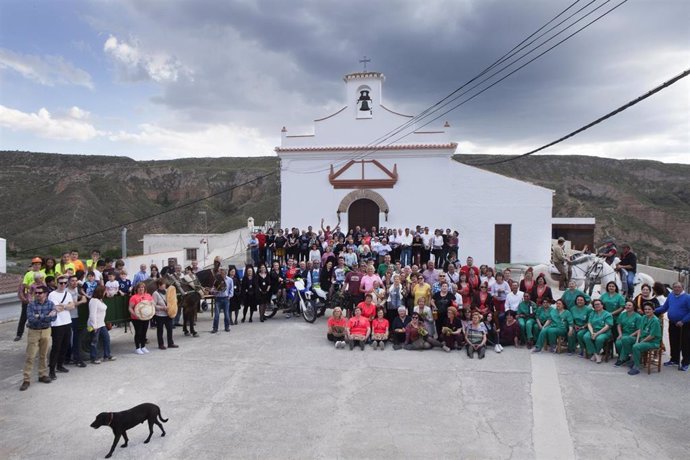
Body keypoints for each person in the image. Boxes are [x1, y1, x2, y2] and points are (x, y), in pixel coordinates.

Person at [20, 286, 56, 390]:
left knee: (43, 355)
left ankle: (42, 375)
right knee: (30, 356)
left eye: (40, 293)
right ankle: (26, 379)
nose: (37, 295)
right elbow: (31, 319)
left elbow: (53, 317)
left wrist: (39, 316)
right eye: (36, 293)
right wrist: (46, 316)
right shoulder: (31, 304)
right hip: (33, 331)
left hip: (46, 330)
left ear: (45, 294)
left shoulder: (50, 304)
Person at [655, 281, 690, 371]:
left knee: (685, 344)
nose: (676, 289)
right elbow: (664, 307)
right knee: (673, 342)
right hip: (673, 323)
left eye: (678, 287)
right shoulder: (671, 295)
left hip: (684, 324)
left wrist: (683, 320)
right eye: (675, 287)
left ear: (682, 288)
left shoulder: (687, 297)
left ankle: (686, 362)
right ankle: (674, 359)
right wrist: (653, 310)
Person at [47, 276, 75, 380]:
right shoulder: (52, 294)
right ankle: (51, 370)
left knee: (65, 345)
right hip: (57, 324)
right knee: (56, 347)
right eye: (60, 283)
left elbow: (72, 306)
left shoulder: (67, 294)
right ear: (57, 283)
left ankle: (60, 365)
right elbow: (56, 308)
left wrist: (64, 306)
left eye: (64, 283)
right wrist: (65, 306)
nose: (63, 285)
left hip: (67, 322)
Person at [628, 302, 663, 375]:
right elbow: (640, 330)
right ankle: (634, 359)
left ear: (653, 310)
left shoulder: (655, 321)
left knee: (636, 346)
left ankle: (636, 367)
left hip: (653, 342)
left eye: (649, 309)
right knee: (628, 339)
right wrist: (637, 340)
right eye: (645, 309)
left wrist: (640, 342)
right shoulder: (644, 317)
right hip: (643, 339)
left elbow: (652, 336)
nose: (647, 311)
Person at [87, 286, 116, 364]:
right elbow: (92, 314)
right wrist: (94, 326)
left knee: (106, 338)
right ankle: (93, 358)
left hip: (101, 324)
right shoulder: (94, 301)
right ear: (100, 292)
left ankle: (107, 355)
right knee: (94, 341)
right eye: (104, 291)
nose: (105, 292)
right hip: (94, 325)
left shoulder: (100, 300)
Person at [65, 275, 88, 367]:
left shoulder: (75, 290)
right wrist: (82, 301)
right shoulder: (66, 292)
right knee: (73, 339)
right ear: (68, 282)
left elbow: (76, 298)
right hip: (69, 317)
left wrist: (81, 296)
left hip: (75, 316)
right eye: (72, 281)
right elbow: (71, 305)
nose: (75, 283)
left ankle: (68, 358)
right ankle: (77, 359)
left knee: (73, 338)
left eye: (76, 281)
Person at [583, 299, 614, 363]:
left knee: (599, 339)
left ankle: (596, 353)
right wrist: (592, 333)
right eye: (595, 305)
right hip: (593, 330)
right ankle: (596, 354)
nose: (596, 306)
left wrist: (596, 334)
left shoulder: (607, 314)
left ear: (602, 305)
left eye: (598, 304)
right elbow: (589, 324)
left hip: (604, 332)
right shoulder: (592, 313)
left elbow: (607, 326)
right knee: (586, 336)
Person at [152, 279, 178, 349]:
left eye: (165, 284)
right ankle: (161, 344)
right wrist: (162, 308)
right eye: (163, 284)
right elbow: (153, 305)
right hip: (160, 315)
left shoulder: (168, 291)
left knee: (170, 329)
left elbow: (173, 300)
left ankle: (170, 343)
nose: (164, 285)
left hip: (168, 314)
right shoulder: (155, 293)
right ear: (159, 285)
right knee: (160, 330)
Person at [614, 300, 641, 366]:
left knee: (625, 340)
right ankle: (625, 357)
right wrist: (620, 334)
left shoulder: (638, 317)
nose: (627, 306)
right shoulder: (622, 314)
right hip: (624, 334)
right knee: (618, 343)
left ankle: (622, 359)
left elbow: (639, 329)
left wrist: (632, 335)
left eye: (629, 305)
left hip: (634, 335)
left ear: (633, 307)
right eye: (626, 305)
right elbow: (619, 325)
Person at [128, 282, 153, 355]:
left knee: (144, 332)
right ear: (137, 289)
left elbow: (152, 304)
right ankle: (137, 348)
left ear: (145, 288)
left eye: (142, 287)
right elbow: (130, 308)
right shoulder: (134, 297)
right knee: (138, 332)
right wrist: (135, 315)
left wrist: (151, 307)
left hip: (146, 317)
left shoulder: (148, 295)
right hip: (136, 318)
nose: (141, 289)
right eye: (139, 287)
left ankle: (143, 346)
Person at [212, 268, 233, 332]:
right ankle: (215, 328)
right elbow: (213, 289)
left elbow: (231, 290)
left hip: (226, 299)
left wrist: (229, 296)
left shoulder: (230, 280)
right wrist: (215, 291)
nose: (222, 275)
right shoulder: (216, 280)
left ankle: (227, 327)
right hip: (218, 299)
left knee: (226, 315)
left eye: (223, 273)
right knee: (216, 315)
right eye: (221, 273)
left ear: (226, 273)